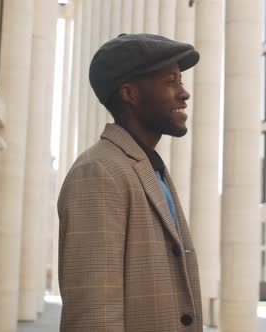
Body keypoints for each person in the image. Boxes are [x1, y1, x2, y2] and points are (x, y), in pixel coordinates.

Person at [57, 33, 202, 331]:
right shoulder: (98, 172)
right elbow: (93, 315)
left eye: (181, 81)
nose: (184, 93)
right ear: (129, 93)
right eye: (171, 81)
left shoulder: (148, 166)